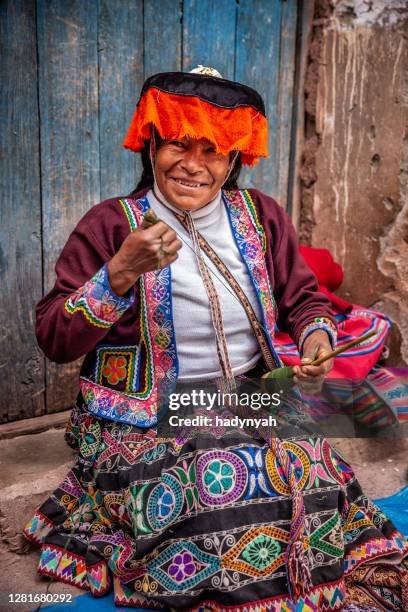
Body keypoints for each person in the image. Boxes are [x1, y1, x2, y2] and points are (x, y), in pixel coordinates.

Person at [24, 67, 407, 611]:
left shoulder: (262, 217)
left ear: (234, 160)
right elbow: (54, 338)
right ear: (152, 143)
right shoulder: (112, 225)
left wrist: (317, 338)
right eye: (179, 143)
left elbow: (304, 300)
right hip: (146, 410)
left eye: (214, 149)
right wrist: (118, 273)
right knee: (214, 484)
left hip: (249, 397)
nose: (193, 164)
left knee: (312, 474)